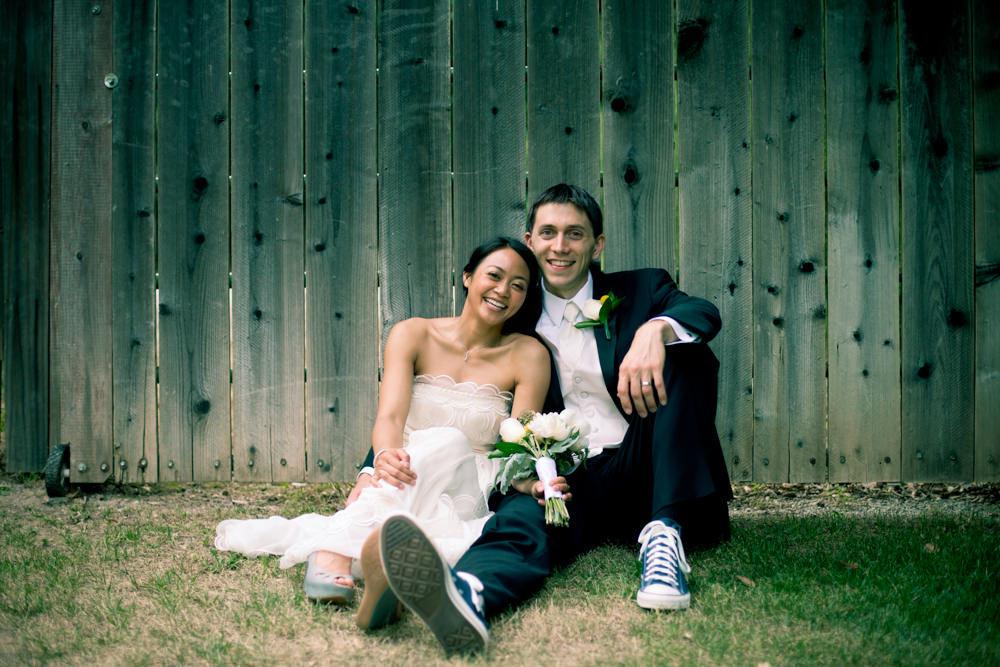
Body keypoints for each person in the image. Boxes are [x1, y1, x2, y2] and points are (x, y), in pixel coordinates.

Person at [358, 184, 732, 656]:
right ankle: (470, 592)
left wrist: (655, 330)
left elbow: (702, 313)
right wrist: (373, 465)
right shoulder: (513, 313)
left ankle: (664, 534)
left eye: (575, 234)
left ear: (596, 245)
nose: (560, 246)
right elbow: (435, 387)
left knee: (687, 356)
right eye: (549, 233)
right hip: (563, 474)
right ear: (531, 241)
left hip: (646, 464)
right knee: (520, 518)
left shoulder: (641, 289)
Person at [214, 237, 567, 630]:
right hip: (402, 470)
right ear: (468, 277)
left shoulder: (528, 355)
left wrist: (530, 486)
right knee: (422, 481)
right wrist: (380, 461)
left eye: (518, 285)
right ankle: (384, 568)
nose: (504, 291)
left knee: (449, 441)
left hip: (469, 485)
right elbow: (391, 417)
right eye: (495, 276)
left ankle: (333, 551)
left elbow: (515, 447)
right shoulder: (413, 333)